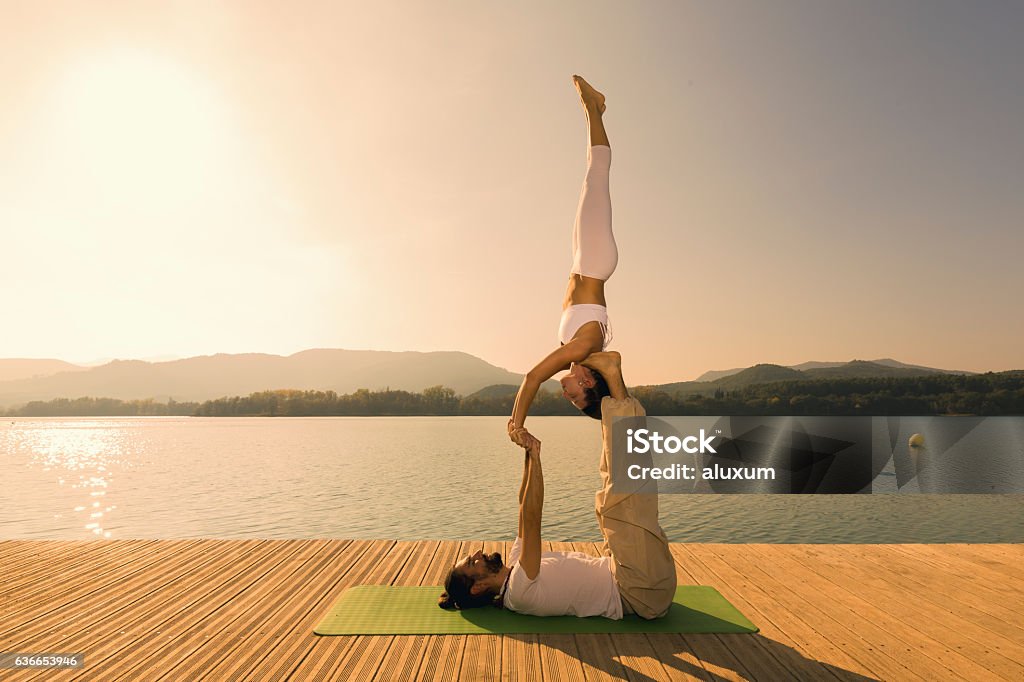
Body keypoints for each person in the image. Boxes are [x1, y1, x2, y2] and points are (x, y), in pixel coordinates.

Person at [440, 352, 677, 619]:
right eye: (473, 563)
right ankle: (612, 376)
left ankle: (612, 387)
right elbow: (532, 520)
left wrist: (528, 453)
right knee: (625, 496)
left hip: (627, 571)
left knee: (612, 480)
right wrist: (537, 456)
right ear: (479, 587)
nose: (478, 554)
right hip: (638, 590)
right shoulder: (518, 593)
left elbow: (522, 508)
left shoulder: (516, 568)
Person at [507, 75, 618, 450]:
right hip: (594, 261)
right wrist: (516, 425)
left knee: (590, 179)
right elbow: (533, 376)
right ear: (587, 383)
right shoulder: (581, 349)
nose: (566, 393)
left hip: (583, 261)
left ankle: (593, 110)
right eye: (574, 396)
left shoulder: (583, 350)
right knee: (596, 175)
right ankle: (594, 107)